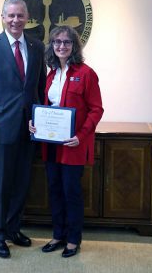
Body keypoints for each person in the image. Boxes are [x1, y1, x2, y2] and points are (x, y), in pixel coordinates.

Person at [0, 0, 46, 259]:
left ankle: (14, 229)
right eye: (11, 15)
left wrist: (43, 119)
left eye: (20, 16)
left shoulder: (37, 47)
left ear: (27, 18)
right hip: (0, 130)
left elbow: (39, 88)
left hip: (29, 128)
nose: (16, 20)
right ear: (2, 17)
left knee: (21, 183)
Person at [29, 25, 103, 258]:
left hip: (73, 145)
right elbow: (46, 108)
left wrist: (80, 136)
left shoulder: (86, 73)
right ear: (52, 45)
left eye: (67, 42)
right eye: (57, 42)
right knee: (54, 190)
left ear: (74, 46)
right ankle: (58, 234)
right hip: (51, 145)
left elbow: (96, 109)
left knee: (71, 192)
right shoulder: (51, 74)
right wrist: (35, 124)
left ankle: (73, 239)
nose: (62, 46)